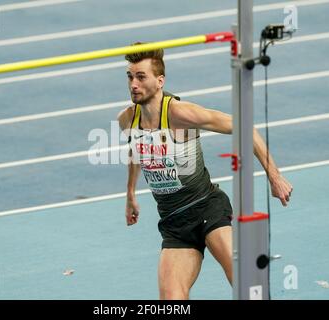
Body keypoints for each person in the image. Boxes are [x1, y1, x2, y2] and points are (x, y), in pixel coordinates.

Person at [117, 43, 293, 300]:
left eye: (141, 77)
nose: (133, 84)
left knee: (246, 286)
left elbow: (244, 126)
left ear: (160, 81)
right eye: (130, 76)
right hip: (174, 222)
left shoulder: (180, 113)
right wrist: (131, 193)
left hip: (207, 208)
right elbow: (136, 149)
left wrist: (274, 176)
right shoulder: (127, 119)